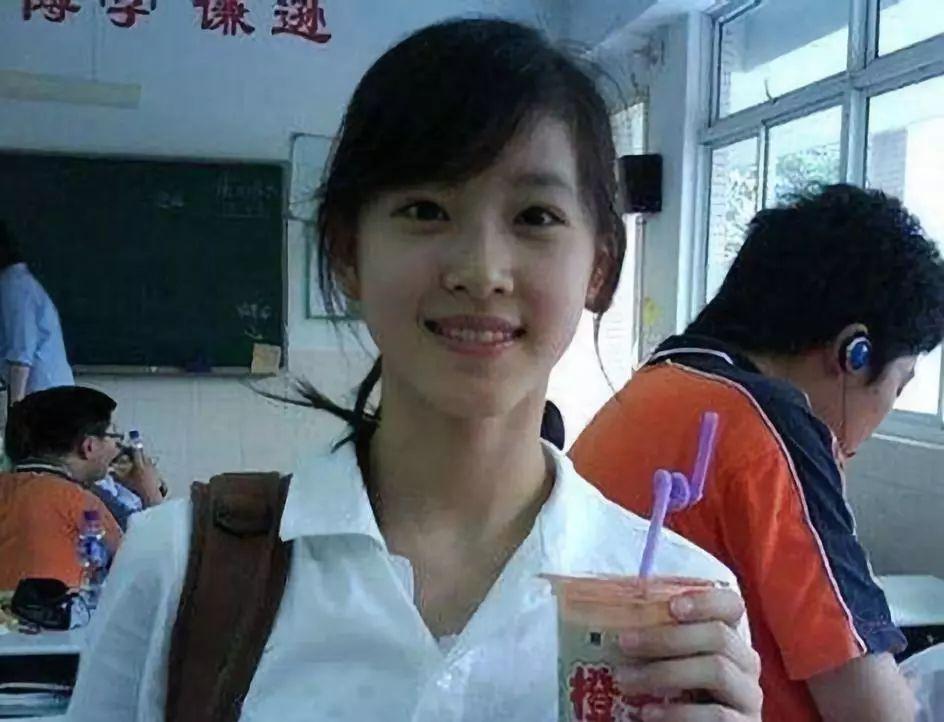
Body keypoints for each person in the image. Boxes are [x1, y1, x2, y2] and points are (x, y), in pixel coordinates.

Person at [68, 19, 762, 722]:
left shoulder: (680, 611)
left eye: (535, 216)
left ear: (600, 267)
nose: (481, 271)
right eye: (426, 210)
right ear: (347, 254)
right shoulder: (178, 570)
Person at [571, 184, 944, 722]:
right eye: (899, 385)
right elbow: (879, 714)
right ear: (854, 353)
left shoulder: (648, 389)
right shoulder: (770, 427)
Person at [0, 386, 123, 590]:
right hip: (53, 608)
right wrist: (151, 494)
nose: (118, 447)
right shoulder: (83, 504)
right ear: (89, 446)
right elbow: (141, 571)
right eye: (114, 435)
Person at [0, 221, 74, 405]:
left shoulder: (15, 287)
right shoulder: (16, 283)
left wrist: (16, 408)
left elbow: (21, 355)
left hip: (45, 397)